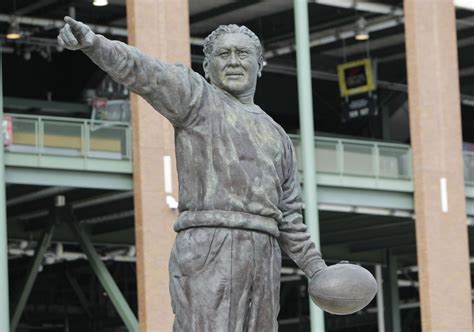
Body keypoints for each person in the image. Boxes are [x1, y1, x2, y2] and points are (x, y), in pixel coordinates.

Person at [58, 17, 327, 331]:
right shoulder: (196, 99)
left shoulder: (278, 135)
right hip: (208, 244)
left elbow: (290, 217)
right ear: (207, 67)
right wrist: (94, 44)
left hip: (263, 253)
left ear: (260, 64)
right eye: (223, 55)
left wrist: (317, 269)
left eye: (243, 54)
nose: (234, 61)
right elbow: (145, 72)